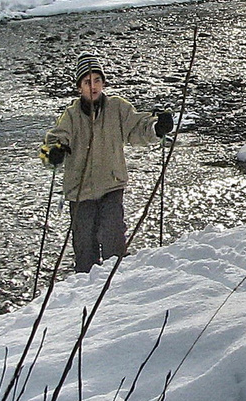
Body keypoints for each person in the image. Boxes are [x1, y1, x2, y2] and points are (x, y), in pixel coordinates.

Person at [40, 52, 174, 271]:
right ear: (79, 87)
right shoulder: (70, 116)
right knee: (85, 252)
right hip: (80, 192)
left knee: (114, 244)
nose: (93, 86)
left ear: (103, 83)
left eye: (97, 80)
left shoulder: (117, 108)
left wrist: (157, 128)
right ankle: (86, 296)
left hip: (111, 185)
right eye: (87, 82)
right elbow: (52, 144)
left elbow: (137, 127)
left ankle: (117, 292)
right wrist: (55, 153)